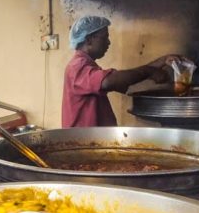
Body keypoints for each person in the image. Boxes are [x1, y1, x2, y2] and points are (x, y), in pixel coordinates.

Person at [62, 15, 192, 128]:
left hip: (93, 142)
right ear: (89, 39)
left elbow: (122, 80)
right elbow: (110, 81)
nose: (108, 42)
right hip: (84, 144)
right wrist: (149, 71)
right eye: (105, 37)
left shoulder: (87, 66)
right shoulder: (77, 66)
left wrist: (160, 62)